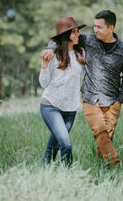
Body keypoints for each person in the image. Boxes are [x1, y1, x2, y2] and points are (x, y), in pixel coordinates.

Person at [41, 10, 123, 166]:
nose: (94, 30)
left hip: (112, 102)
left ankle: (102, 169)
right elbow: (61, 37)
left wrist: (119, 100)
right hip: (90, 99)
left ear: (110, 28)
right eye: (94, 26)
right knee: (100, 131)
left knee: (104, 139)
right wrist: (51, 48)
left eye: (99, 27)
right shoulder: (88, 40)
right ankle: (116, 166)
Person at [39, 17, 86, 166]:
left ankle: (44, 174)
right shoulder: (53, 55)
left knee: (53, 147)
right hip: (51, 105)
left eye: (78, 31)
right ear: (66, 35)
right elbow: (44, 83)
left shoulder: (81, 53)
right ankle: (69, 175)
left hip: (71, 109)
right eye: (74, 32)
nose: (78, 34)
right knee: (66, 145)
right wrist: (45, 65)